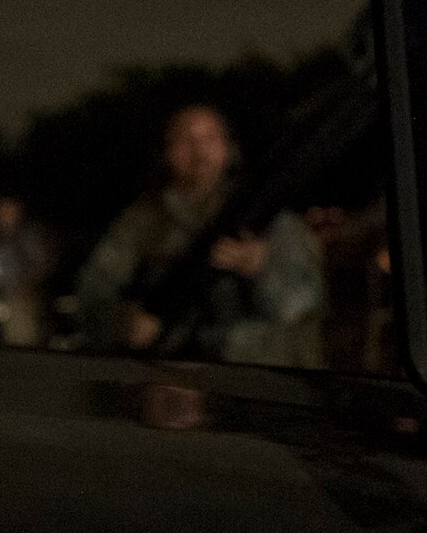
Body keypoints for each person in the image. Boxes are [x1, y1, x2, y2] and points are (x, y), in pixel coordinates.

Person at [76, 103, 324, 367]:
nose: (200, 151)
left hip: (260, 371)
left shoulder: (268, 216)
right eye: (186, 140)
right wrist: (125, 321)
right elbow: (94, 288)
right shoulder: (141, 222)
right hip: (173, 373)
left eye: (210, 138)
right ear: (166, 151)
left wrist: (260, 269)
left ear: (228, 148)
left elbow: (305, 305)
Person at [0, 195, 59, 347]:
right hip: (2, 292)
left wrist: (27, 284)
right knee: (7, 334)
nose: (2, 215)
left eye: (7, 210)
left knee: (24, 337)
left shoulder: (30, 234)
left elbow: (43, 263)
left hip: (25, 295)